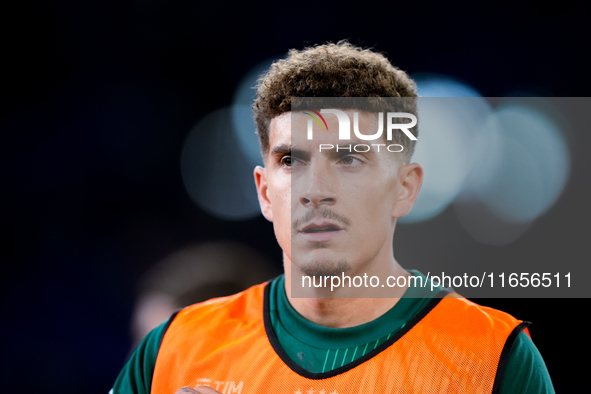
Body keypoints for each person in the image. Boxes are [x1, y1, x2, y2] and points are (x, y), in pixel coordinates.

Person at [111, 41, 554, 393]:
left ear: (405, 188)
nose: (315, 190)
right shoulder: (172, 348)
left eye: (349, 158)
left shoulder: (495, 357)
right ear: (265, 192)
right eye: (291, 160)